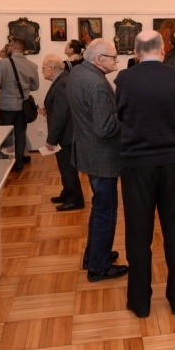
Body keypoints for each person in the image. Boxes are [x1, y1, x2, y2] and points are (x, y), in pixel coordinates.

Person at [114, 30, 175, 317]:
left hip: (137, 164)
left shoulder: (124, 79)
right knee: (174, 231)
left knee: (138, 234)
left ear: (135, 52)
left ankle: (140, 302)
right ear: (162, 49)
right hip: (173, 162)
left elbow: (121, 114)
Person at [67, 38, 128, 282]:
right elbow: (105, 128)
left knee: (99, 208)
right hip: (103, 156)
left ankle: (94, 255)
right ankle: (99, 267)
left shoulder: (78, 72)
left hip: (89, 151)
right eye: (113, 57)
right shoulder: (97, 84)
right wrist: (128, 117)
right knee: (106, 211)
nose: (117, 61)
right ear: (98, 59)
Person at [40, 55, 84, 211]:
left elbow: (61, 114)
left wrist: (51, 139)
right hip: (66, 132)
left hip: (66, 134)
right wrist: (48, 109)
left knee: (67, 168)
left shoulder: (62, 83)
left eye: (43, 68)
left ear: (52, 69)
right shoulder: (62, 79)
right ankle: (67, 193)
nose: (42, 71)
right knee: (64, 167)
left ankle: (75, 199)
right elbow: (59, 108)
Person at [0, 38, 39, 173]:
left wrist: (5, 87)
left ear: (14, 48)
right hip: (23, 106)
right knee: (20, 134)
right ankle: (18, 164)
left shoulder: (3, 63)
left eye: (10, 45)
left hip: (7, 105)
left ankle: (7, 163)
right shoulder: (32, 65)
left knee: (6, 135)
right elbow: (35, 86)